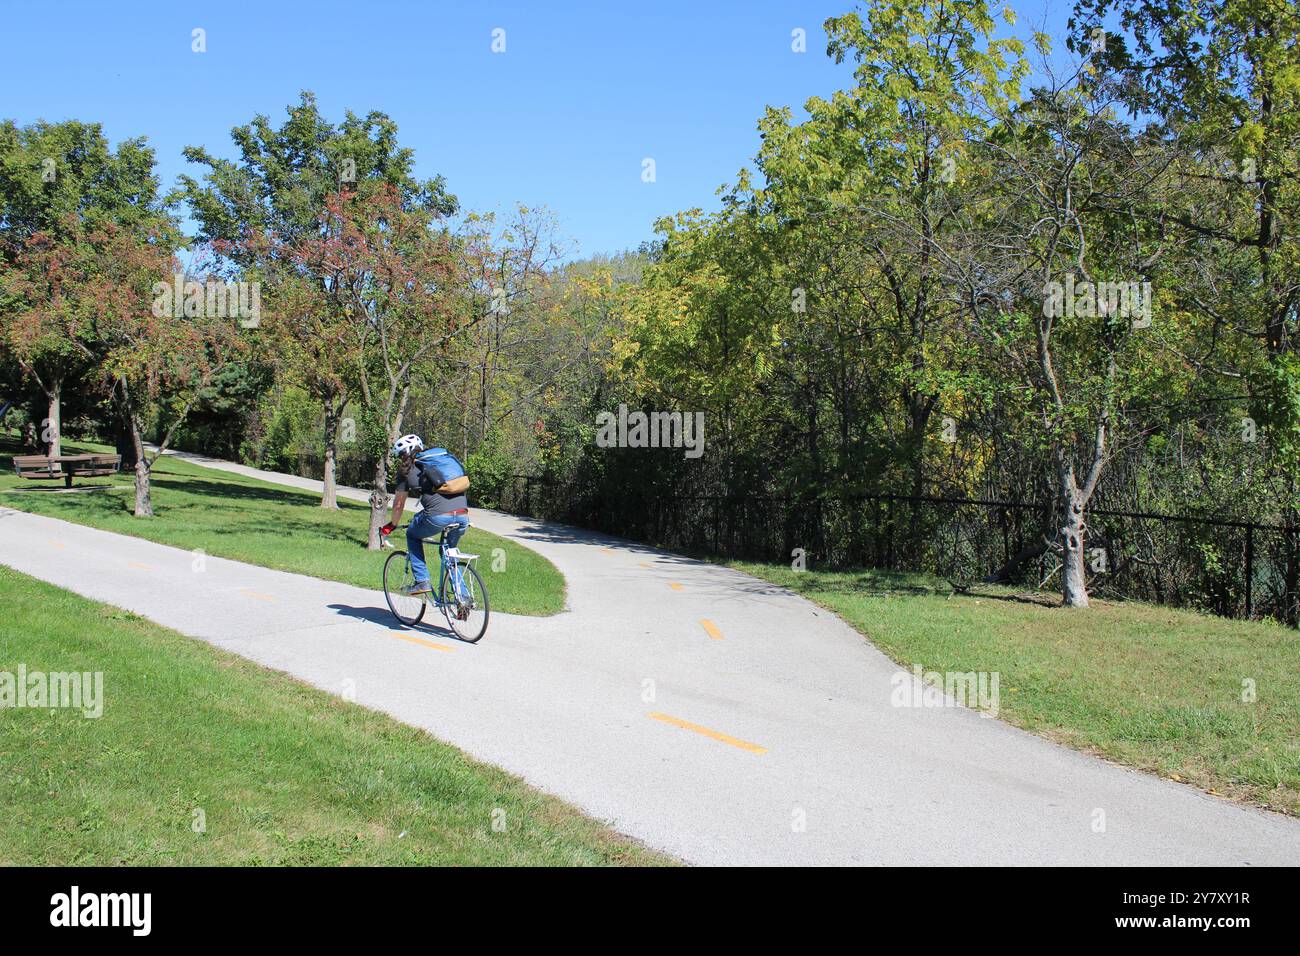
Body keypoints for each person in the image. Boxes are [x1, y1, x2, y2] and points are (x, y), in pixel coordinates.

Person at [379, 434, 469, 593]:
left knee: (412, 534)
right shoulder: (440, 460)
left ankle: (422, 581)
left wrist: (392, 525)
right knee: (448, 552)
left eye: (401, 455)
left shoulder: (406, 471)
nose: (401, 458)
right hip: (462, 516)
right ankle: (463, 597)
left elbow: (399, 504)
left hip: (438, 516)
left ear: (404, 453)